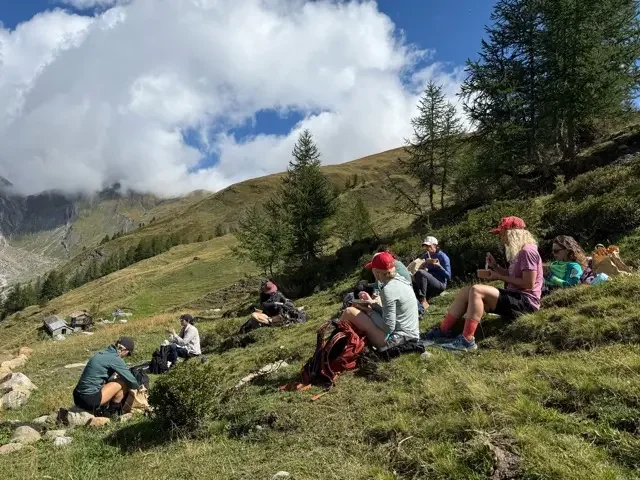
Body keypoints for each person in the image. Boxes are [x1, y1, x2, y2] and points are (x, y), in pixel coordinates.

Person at [424, 216, 542, 352]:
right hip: (515, 296)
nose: (501, 238)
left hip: (526, 302)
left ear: (513, 233)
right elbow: (512, 275)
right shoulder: (519, 252)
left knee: (477, 290)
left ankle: (467, 340)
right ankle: (443, 330)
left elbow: (528, 283)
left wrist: (498, 276)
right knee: (465, 291)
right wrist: (495, 266)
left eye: (501, 233)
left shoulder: (528, 251)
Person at [339, 252, 419, 350]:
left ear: (376, 272)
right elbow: (392, 314)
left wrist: (370, 312)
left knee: (349, 312)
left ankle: (338, 346)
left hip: (398, 341)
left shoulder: (388, 290)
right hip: (411, 335)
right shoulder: (402, 281)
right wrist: (372, 304)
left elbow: (388, 328)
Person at [73, 337, 139, 414]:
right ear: (124, 350)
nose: (126, 356)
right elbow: (132, 381)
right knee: (123, 382)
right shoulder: (115, 358)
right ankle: (111, 412)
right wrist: (139, 388)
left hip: (77, 397)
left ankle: (102, 408)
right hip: (89, 399)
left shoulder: (102, 353)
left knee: (111, 381)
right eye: (128, 354)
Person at [413, 236, 451, 310]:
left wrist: (439, 266)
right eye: (426, 246)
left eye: (429, 246)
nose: (427, 248)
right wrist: (420, 265)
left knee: (421, 273)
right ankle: (418, 300)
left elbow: (448, 276)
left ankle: (423, 300)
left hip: (440, 283)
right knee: (415, 275)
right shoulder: (426, 256)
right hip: (429, 282)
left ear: (435, 245)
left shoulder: (443, 257)